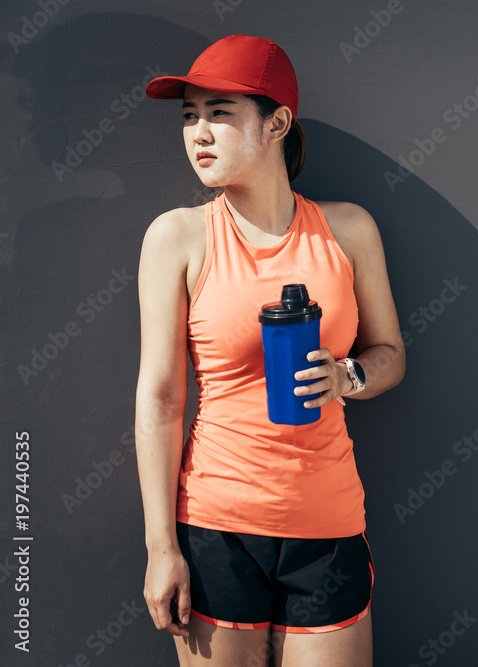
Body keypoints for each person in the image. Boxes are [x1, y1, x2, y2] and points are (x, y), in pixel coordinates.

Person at [134, 34, 404, 666]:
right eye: (189, 117)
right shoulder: (178, 237)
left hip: (328, 527)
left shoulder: (349, 229)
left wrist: (349, 376)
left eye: (219, 114)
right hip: (216, 526)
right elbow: (162, 397)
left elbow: (389, 352)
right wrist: (160, 548)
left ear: (277, 122)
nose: (198, 133)